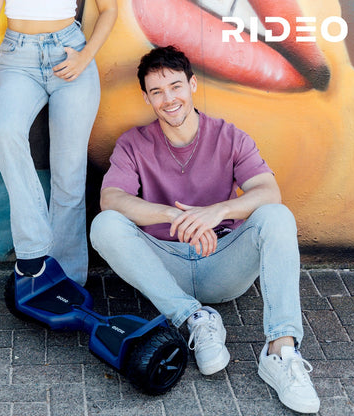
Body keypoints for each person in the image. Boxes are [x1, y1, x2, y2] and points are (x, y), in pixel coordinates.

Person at [90, 46, 320, 414]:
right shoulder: (134, 142)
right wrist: (173, 216)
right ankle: (195, 318)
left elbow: (267, 191)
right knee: (105, 225)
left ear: (193, 85)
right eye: (157, 92)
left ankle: (281, 352)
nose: (169, 99)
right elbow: (112, 198)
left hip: (223, 261)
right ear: (147, 97)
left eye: (176, 86)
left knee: (277, 216)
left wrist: (217, 212)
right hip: (165, 269)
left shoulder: (229, 137)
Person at [0, 0, 117, 284]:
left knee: (69, 172)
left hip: (69, 54)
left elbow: (109, 10)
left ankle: (67, 281)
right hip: (16, 59)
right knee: (6, 133)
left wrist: (85, 56)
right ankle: (34, 248)